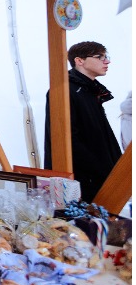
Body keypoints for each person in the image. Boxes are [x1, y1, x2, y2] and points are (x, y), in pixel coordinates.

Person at [45, 41, 121, 202]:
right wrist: (98, 168)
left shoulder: (92, 90)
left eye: (106, 56)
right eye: (100, 57)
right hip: (82, 182)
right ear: (79, 61)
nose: (107, 61)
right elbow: (68, 139)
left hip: (100, 177)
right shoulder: (64, 90)